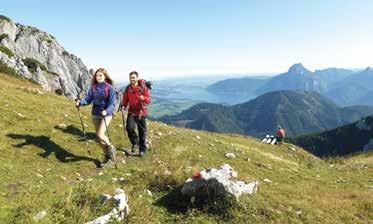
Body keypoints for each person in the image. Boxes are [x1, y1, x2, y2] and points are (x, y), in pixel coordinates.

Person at [76, 68, 117, 166]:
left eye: (100, 76)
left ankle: (112, 148)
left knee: (100, 135)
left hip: (106, 115)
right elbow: (88, 99)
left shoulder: (110, 88)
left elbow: (112, 103)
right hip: (95, 114)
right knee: (99, 139)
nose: (98, 77)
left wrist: (106, 111)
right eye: (97, 76)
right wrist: (80, 102)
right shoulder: (93, 88)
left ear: (105, 77)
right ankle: (107, 156)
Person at [122, 71, 151, 157]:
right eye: (131, 78)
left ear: (137, 78)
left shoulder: (143, 88)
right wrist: (123, 106)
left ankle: (142, 149)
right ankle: (135, 143)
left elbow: (149, 100)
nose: (132, 79)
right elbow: (125, 98)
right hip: (132, 111)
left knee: (142, 132)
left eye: (134, 77)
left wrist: (144, 98)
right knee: (129, 128)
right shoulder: (128, 88)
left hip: (141, 112)